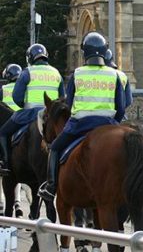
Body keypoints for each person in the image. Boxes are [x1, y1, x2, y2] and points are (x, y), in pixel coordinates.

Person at [38, 31, 125, 201]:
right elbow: (121, 107)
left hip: (80, 124)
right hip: (107, 125)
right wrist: (114, 123)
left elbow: (69, 105)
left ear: (85, 53)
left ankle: (51, 187)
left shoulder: (77, 74)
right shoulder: (114, 74)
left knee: (55, 148)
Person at [0, 44, 64, 176]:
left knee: (3, 133)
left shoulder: (27, 72)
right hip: (51, 115)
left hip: (30, 113)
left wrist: (24, 106)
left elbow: (17, 97)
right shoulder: (56, 73)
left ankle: (5, 163)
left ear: (30, 58)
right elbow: (62, 97)